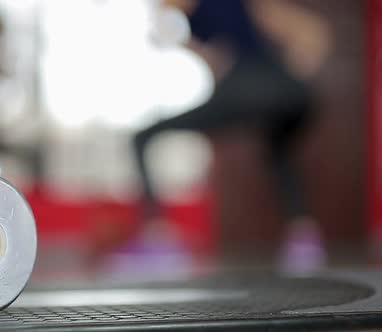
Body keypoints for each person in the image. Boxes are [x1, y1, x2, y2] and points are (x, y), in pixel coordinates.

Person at [133, 0, 331, 267]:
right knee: (278, 151)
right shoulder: (237, 9)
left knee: (143, 136)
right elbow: (313, 34)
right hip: (294, 94)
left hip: (247, 84)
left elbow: (311, 31)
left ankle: (158, 238)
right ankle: (304, 239)